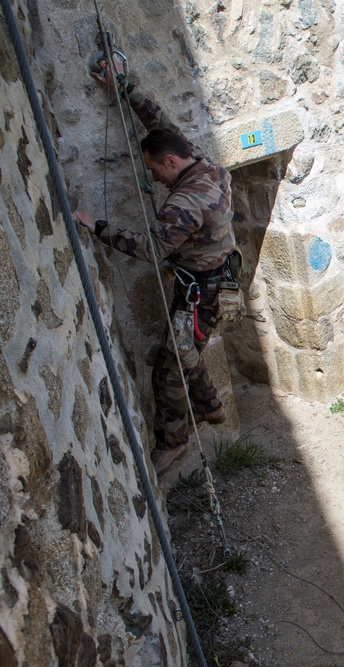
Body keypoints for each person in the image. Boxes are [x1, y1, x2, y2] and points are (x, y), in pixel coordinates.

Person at [73, 62, 236, 475]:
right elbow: (159, 121)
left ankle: (177, 440)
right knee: (179, 356)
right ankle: (209, 407)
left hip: (198, 297)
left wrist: (98, 226)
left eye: (155, 170)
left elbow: (150, 249)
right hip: (216, 283)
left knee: (168, 370)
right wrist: (124, 87)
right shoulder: (203, 163)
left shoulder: (184, 203)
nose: (156, 179)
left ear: (169, 161)